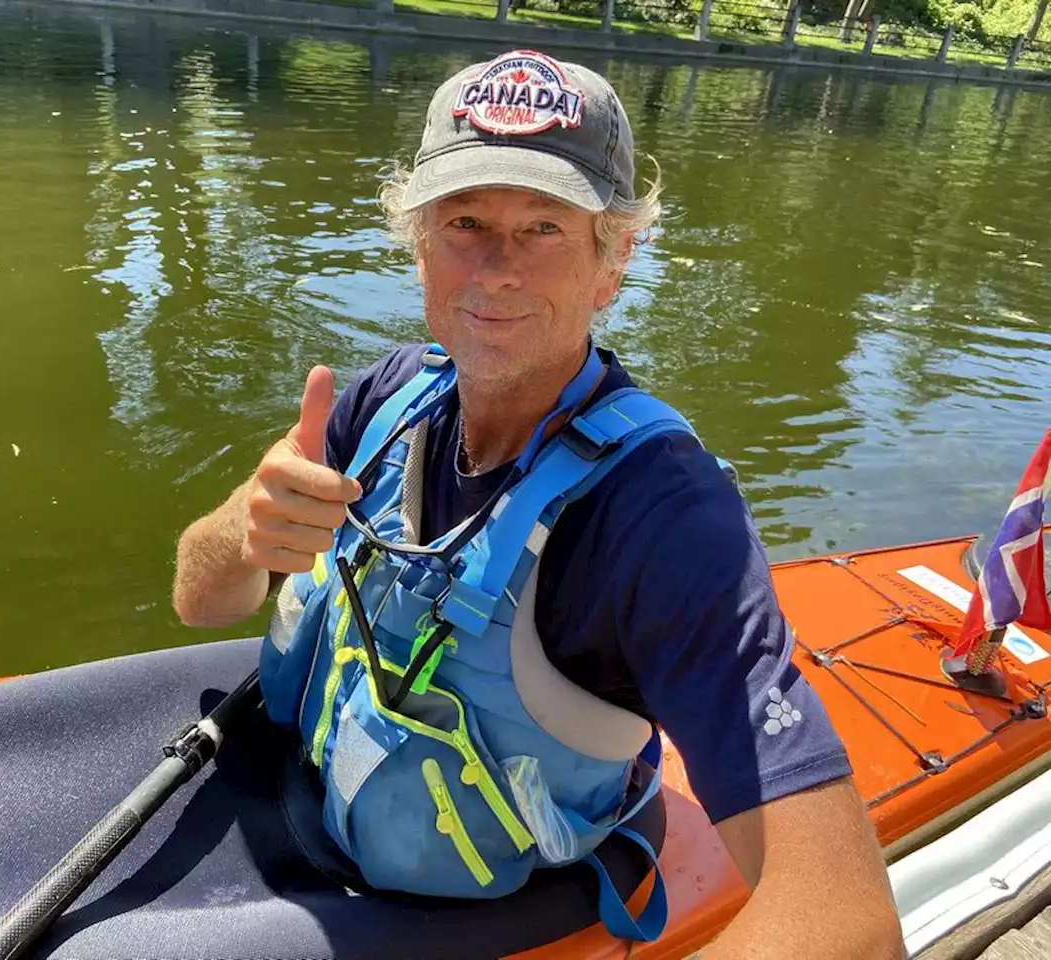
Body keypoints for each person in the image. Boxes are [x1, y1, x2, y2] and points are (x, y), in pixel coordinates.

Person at [172, 49, 903, 959]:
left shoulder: (664, 519)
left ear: (615, 258)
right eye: (466, 220)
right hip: (300, 793)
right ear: (419, 243)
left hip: (486, 903)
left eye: (545, 228)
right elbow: (200, 601)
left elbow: (849, 921)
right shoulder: (382, 400)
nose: (497, 267)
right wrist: (245, 530)